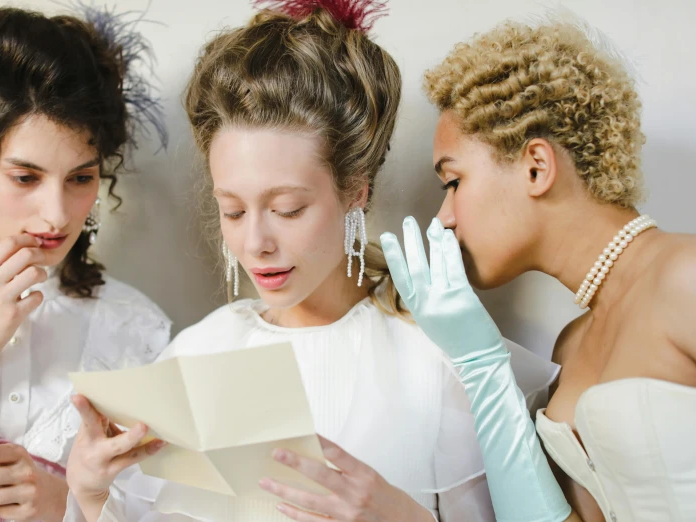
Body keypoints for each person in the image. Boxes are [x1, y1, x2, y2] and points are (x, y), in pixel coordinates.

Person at [63, 2, 560, 522]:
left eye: (287, 209)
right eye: (231, 209)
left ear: (355, 192)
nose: (255, 241)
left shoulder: (437, 365)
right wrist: (95, 497)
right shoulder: (194, 357)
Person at [382, 14, 696, 522]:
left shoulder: (687, 277)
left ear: (536, 166)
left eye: (453, 182)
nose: (443, 220)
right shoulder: (569, 350)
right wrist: (480, 363)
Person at [0, 6, 171, 521]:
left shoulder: (136, 330)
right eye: (26, 178)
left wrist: (68, 506)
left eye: (80, 179)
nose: (56, 216)